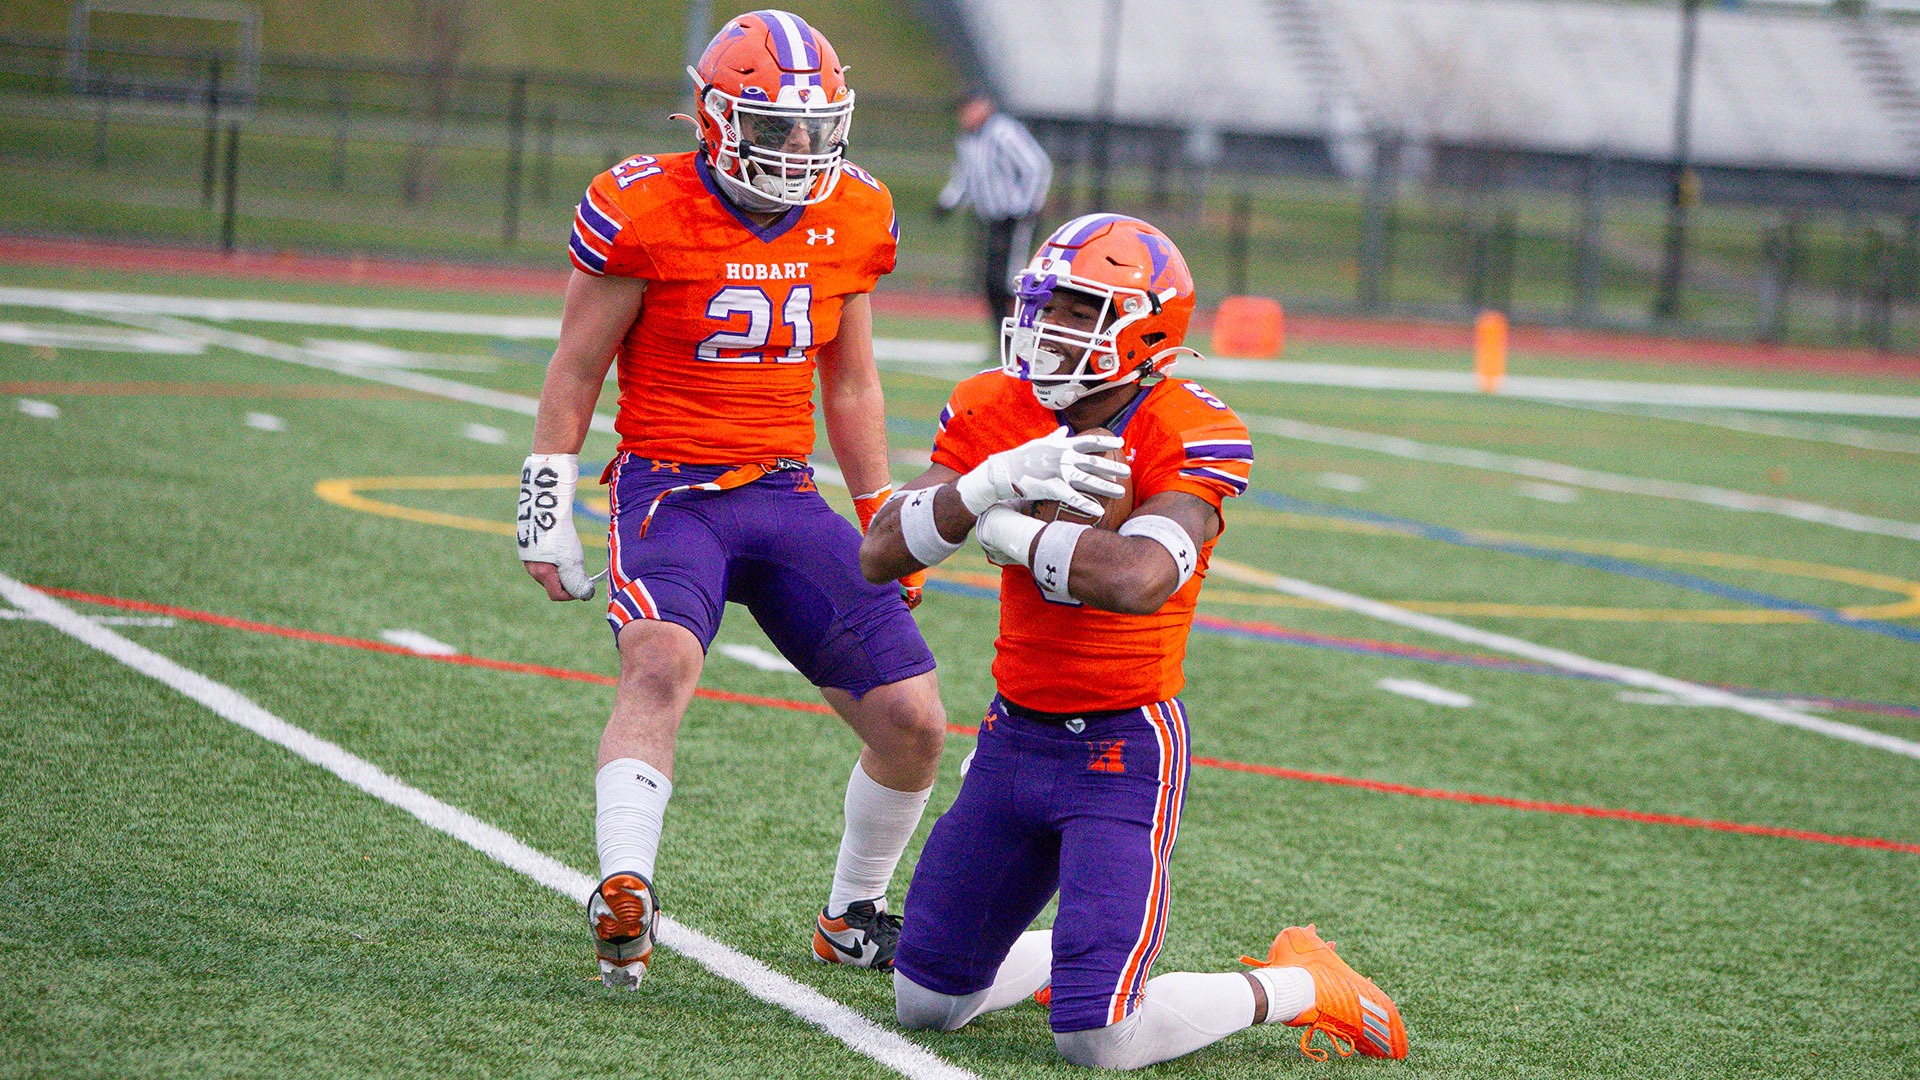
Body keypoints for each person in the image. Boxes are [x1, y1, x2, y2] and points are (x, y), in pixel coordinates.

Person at [859, 213, 1409, 1068]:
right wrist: (988, 479)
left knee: (1097, 1041)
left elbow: (1137, 580)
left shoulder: (1188, 425)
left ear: (1145, 326)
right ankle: (1073, 963)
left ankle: (1302, 982)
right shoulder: (994, 406)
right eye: (1042, 304)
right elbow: (879, 553)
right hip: (1010, 739)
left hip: (1120, 748)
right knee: (925, 1001)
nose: (1048, 327)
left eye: (1078, 309)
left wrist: (998, 529)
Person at [517, 9, 946, 991]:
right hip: (674, 493)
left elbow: (851, 382)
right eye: (776, 128)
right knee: (660, 657)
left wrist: (881, 505)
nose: (800, 151)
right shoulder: (646, 207)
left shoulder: (853, 213)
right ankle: (624, 886)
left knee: (916, 722)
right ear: (713, 120)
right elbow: (578, 367)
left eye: (815, 127)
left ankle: (852, 915)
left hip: (786, 496)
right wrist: (546, 501)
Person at [935, 93, 1052, 336]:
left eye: (968, 109)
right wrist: (946, 204)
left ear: (983, 107)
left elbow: (1037, 166)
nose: (964, 116)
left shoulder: (1003, 132)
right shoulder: (969, 141)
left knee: (1012, 280)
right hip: (992, 219)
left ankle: (1027, 336)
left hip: (1017, 219)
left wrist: (1026, 205)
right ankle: (1002, 339)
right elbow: (966, 178)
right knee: (991, 281)